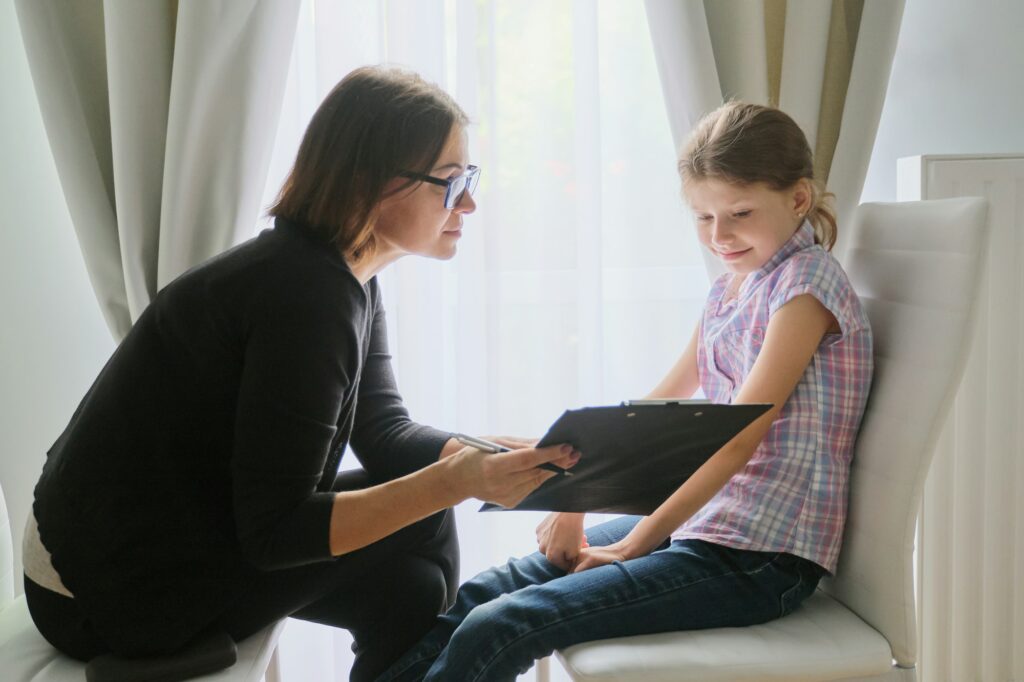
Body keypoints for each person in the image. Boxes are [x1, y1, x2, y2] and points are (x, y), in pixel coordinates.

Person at [22, 66, 577, 682]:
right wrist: (456, 481)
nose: (469, 202)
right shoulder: (305, 298)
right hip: (105, 594)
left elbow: (385, 431)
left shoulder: (340, 277)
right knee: (426, 511)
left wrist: (489, 456)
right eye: (450, 182)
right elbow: (277, 533)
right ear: (369, 183)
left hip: (150, 546)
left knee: (410, 584)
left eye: (467, 178)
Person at [378, 101, 875, 682]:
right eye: (703, 217)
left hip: (763, 558)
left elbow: (735, 441)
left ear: (797, 200)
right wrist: (573, 496)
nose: (720, 235)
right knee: (490, 591)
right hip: (711, 528)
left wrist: (632, 545)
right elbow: (652, 413)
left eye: (739, 212)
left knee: (502, 624)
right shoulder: (733, 288)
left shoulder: (806, 286)